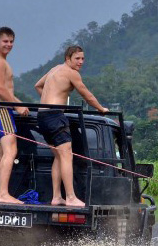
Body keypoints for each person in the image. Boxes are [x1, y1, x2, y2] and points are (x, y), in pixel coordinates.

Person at [34, 45, 109, 207]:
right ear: (68, 59)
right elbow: (86, 94)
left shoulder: (55, 69)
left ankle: (56, 197)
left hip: (42, 116)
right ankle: (70, 197)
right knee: (67, 155)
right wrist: (101, 109)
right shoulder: (71, 73)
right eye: (77, 59)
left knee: (59, 156)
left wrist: (49, 101)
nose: (81, 62)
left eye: (82, 58)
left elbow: (38, 85)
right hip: (54, 117)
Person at [0, 27, 29, 203]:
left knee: (2, 154)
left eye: (11, 41)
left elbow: (5, 90)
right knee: (11, 150)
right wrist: (17, 106)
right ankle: (3, 194)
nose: (9, 44)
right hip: (1, 110)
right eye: (5, 41)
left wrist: (19, 103)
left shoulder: (0, 60)